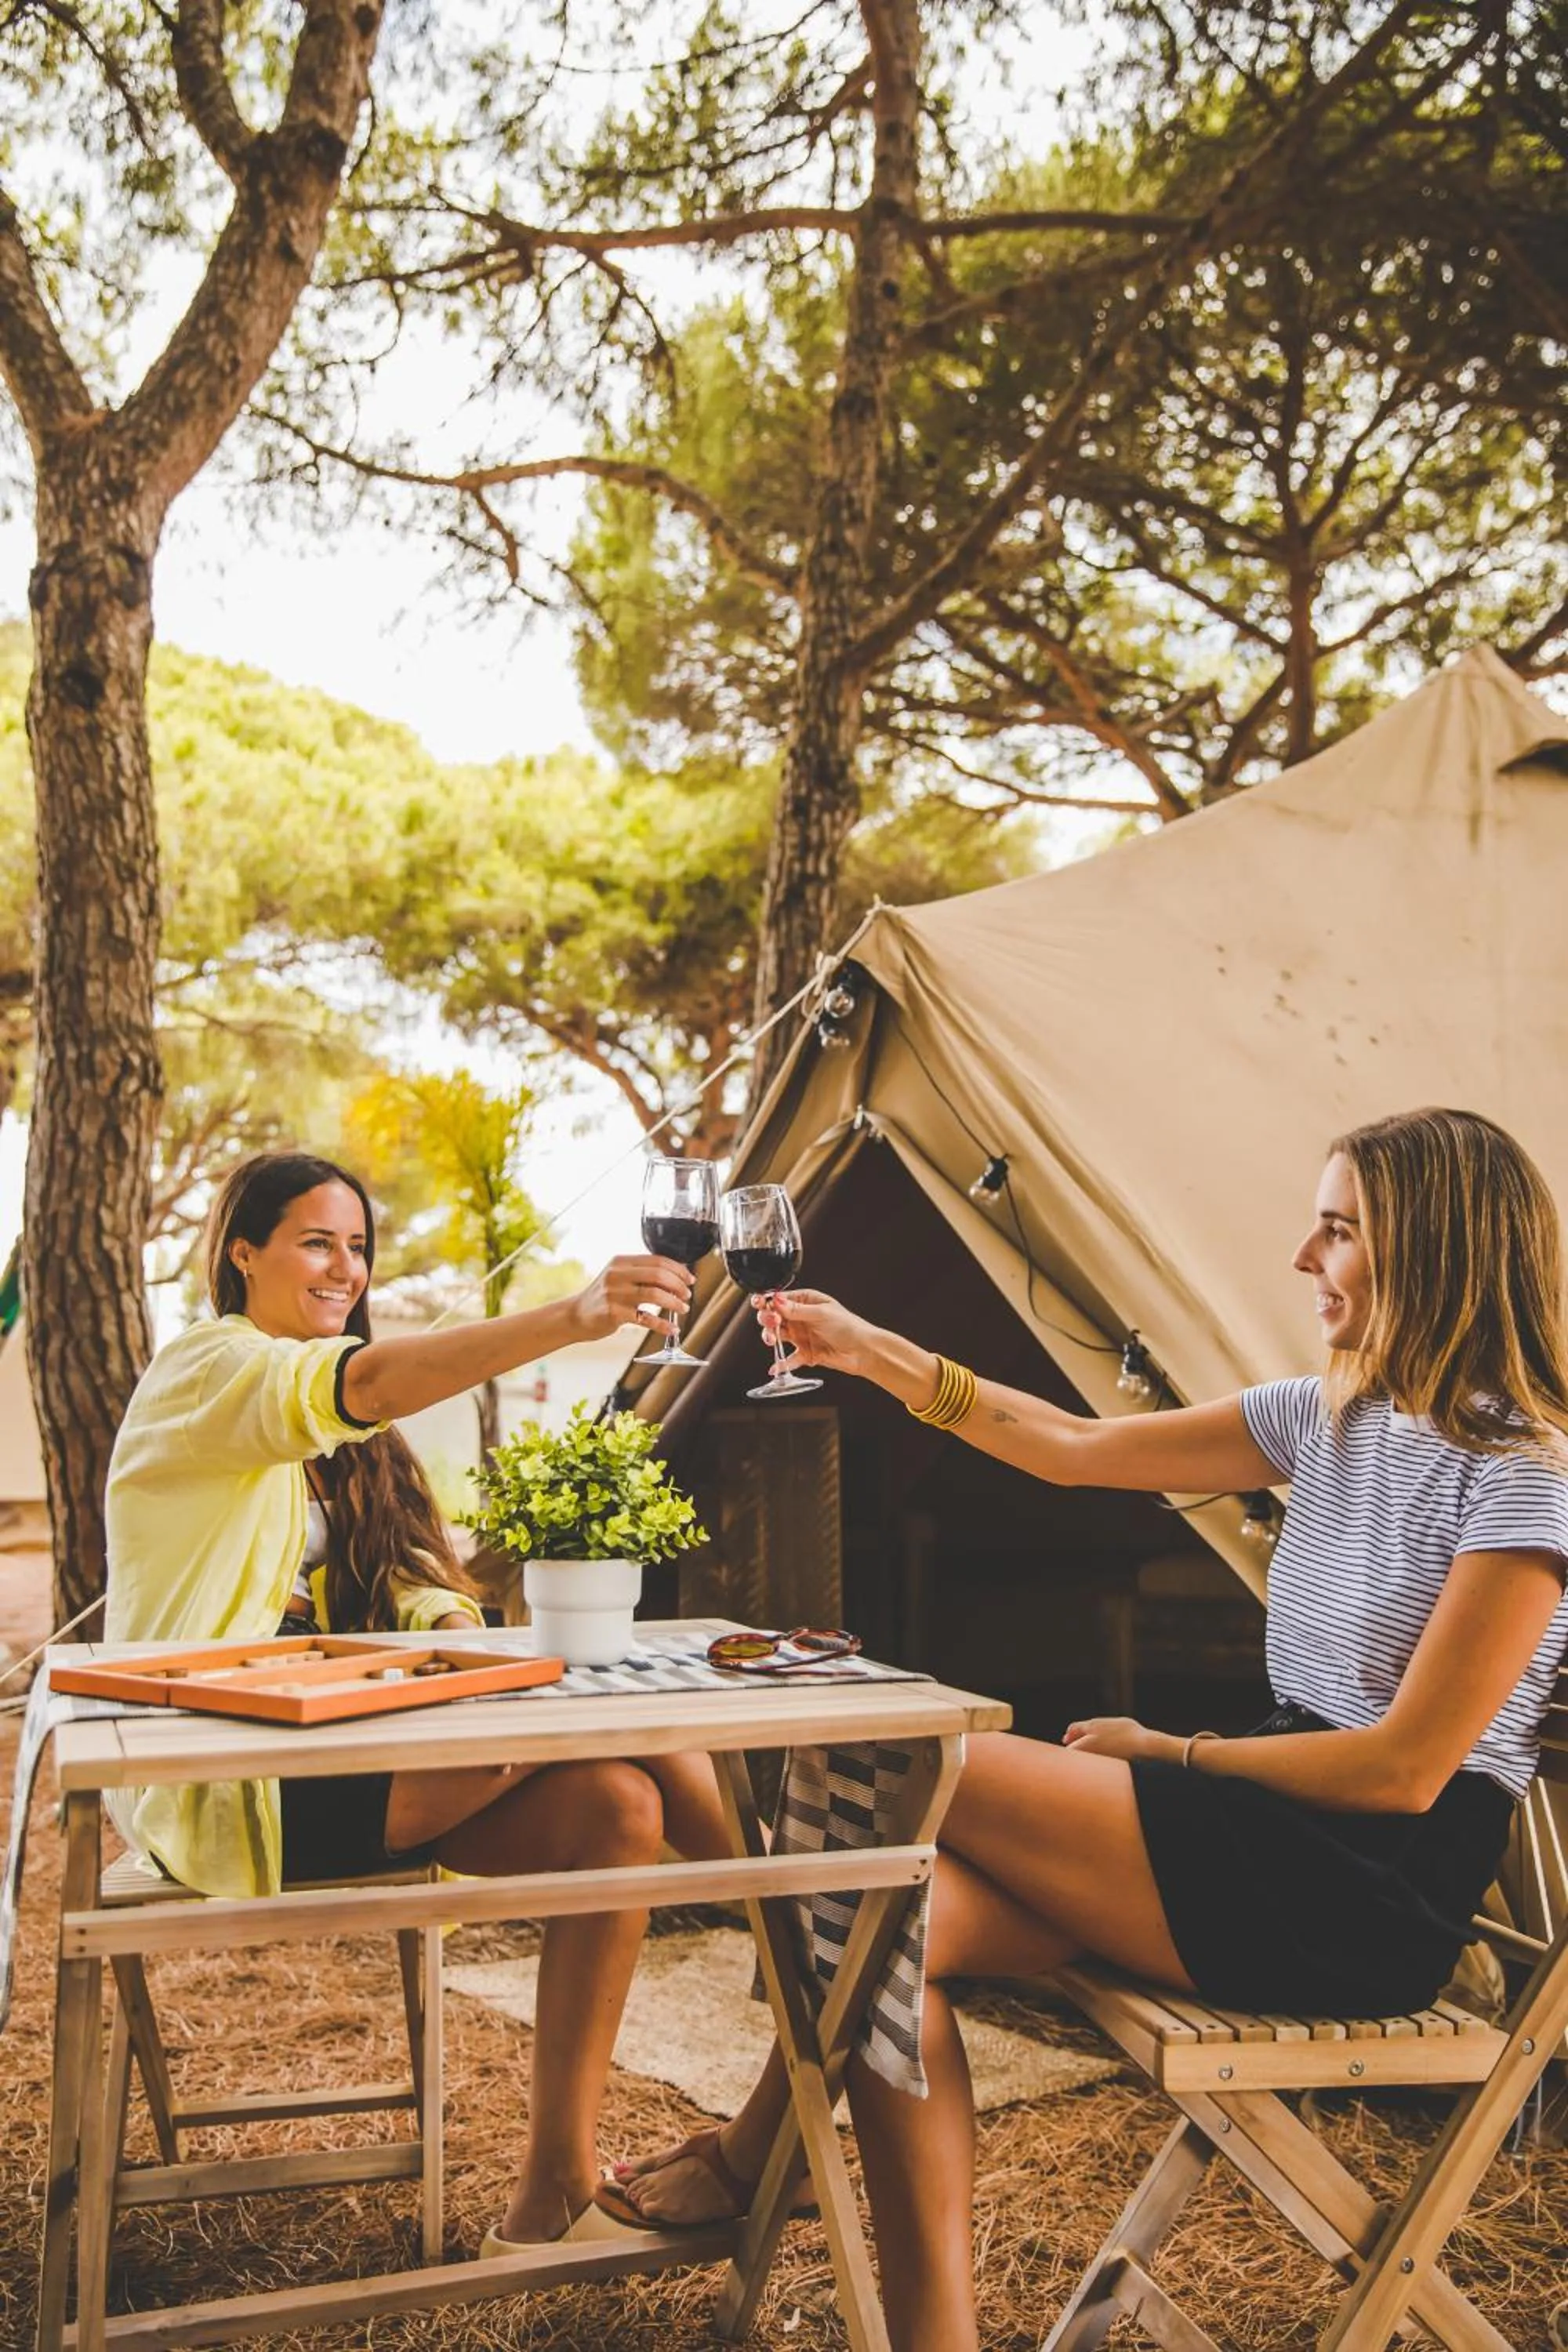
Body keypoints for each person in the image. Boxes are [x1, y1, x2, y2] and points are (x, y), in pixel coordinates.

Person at [604, 1108, 1568, 2352]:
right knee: (890, 1934)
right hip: (1262, 1824)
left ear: (1433, 1248)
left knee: (892, 1747)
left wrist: (1168, 1752)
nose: (1300, 1257)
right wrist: (873, 1350)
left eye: (1337, 1231)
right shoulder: (1328, 1416)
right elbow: (1067, 1447)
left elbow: (1403, 1772)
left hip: (1363, 1891)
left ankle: (754, 2158)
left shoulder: (1527, 1473)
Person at [104, 1149, 734, 2255]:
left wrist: (446, 1630)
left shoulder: (342, 1432)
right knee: (622, 1719)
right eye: (315, 1241)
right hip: (232, 1776)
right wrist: (577, 1314)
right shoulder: (215, 1371)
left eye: (358, 1246)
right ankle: (809, 1933)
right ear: (240, 1252)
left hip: (352, 1745)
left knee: (622, 1809)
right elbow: (370, 1384)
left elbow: (411, 1569)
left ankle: (551, 2191)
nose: (344, 1267)